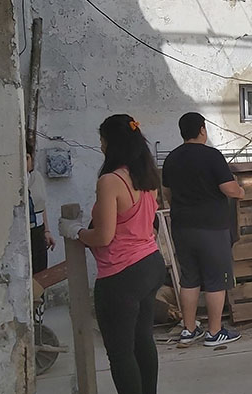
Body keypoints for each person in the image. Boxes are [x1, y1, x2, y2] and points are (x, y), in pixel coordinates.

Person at [59, 114, 166, 394]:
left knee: (120, 352)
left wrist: (76, 231)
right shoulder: (147, 177)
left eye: (102, 140)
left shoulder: (111, 181)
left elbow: (103, 236)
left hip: (121, 275)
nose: (101, 146)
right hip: (150, 263)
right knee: (143, 340)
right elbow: (147, 225)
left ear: (112, 143)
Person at [162, 112, 244, 346]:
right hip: (212, 227)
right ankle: (214, 332)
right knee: (217, 279)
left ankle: (189, 329)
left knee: (189, 279)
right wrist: (241, 191)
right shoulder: (211, 156)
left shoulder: (172, 158)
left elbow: (166, 193)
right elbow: (229, 188)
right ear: (202, 130)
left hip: (182, 227)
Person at [26, 140, 56, 274]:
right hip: (20, 231)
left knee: (40, 273)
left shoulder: (36, 177)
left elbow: (41, 205)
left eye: (27, 158)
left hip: (37, 231)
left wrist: (47, 231)